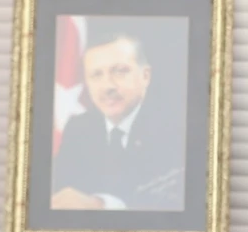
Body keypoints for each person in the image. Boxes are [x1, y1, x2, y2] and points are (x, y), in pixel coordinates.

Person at [52, 28, 183, 211]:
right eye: (96, 75)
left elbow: (172, 203)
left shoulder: (177, 128)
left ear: (145, 76)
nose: (108, 86)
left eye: (120, 71)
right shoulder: (78, 128)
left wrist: (101, 205)